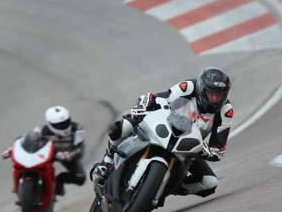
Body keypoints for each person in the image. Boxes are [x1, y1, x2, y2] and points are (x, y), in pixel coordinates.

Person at [90, 67, 233, 197]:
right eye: (212, 94)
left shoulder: (226, 111)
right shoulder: (188, 87)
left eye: (220, 95)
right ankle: (106, 162)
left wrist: (206, 150)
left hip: (188, 147)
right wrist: (143, 107)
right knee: (122, 127)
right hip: (164, 125)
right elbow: (161, 98)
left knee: (209, 183)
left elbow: (218, 149)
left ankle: (169, 187)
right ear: (202, 89)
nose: (216, 99)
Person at [2, 106, 86, 196]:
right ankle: (28, 185)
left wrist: (70, 155)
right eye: (58, 125)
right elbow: (25, 138)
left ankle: (59, 180)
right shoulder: (41, 129)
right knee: (31, 165)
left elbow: (80, 148)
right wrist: (11, 148)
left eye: (66, 122)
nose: (63, 126)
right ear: (49, 124)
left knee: (80, 178)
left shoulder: (77, 128)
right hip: (48, 153)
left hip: (68, 154)